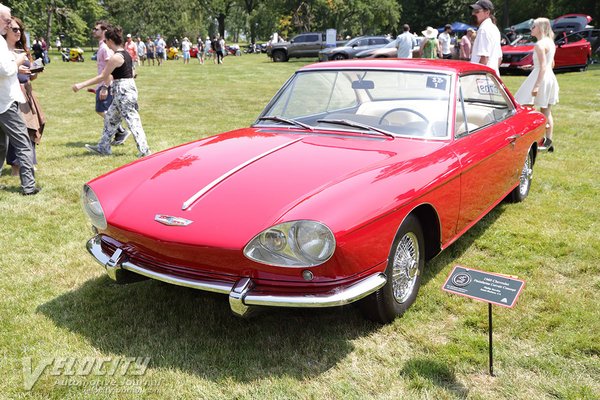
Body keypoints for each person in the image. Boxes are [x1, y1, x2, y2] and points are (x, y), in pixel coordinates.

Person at [72, 24, 151, 158]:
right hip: (125, 89)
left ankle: (145, 151)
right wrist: (106, 87)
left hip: (123, 91)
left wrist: (81, 85)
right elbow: (124, 73)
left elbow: (103, 76)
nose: (104, 43)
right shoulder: (125, 54)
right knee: (110, 119)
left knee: (133, 121)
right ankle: (103, 147)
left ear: (109, 41)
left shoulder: (116, 57)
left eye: (105, 41)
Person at [0, 4, 39, 195]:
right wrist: (19, 59)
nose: (9, 24)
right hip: (5, 102)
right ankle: (29, 187)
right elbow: (6, 70)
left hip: (3, 100)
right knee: (23, 143)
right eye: (7, 20)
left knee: (1, 146)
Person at [3, 16, 46, 177]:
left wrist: (35, 72)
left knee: (31, 129)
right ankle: (16, 167)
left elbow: (28, 75)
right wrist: (16, 70)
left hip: (27, 94)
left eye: (20, 29)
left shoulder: (23, 50)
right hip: (11, 94)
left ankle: (28, 163)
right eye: (14, 29)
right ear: (5, 31)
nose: (18, 32)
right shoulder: (4, 51)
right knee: (16, 131)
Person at [514, 18, 559, 152]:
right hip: (549, 77)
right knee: (546, 111)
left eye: (533, 27)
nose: (531, 29)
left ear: (540, 28)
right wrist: (534, 67)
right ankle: (547, 142)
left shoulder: (540, 44)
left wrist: (537, 86)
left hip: (541, 78)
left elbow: (544, 67)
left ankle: (528, 139)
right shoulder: (550, 42)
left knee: (522, 106)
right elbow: (551, 64)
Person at [93, 20, 128, 145]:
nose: (94, 31)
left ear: (104, 32)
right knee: (103, 110)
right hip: (103, 84)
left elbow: (111, 70)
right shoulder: (103, 47)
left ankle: (121, 131)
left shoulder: (105, 49)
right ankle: (118, 132)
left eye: (96, 29)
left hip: (106, 84)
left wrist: (105, 87)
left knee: (103, 110)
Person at [470, 0, 502, 76]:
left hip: (482, 78)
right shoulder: (494, 28)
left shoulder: (483, 29)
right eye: (473, 11)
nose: (473, 13)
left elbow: (484, 58)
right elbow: (499, 58)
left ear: (487, 12)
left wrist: (476, 77)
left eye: (477, 11)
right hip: (492, 76)